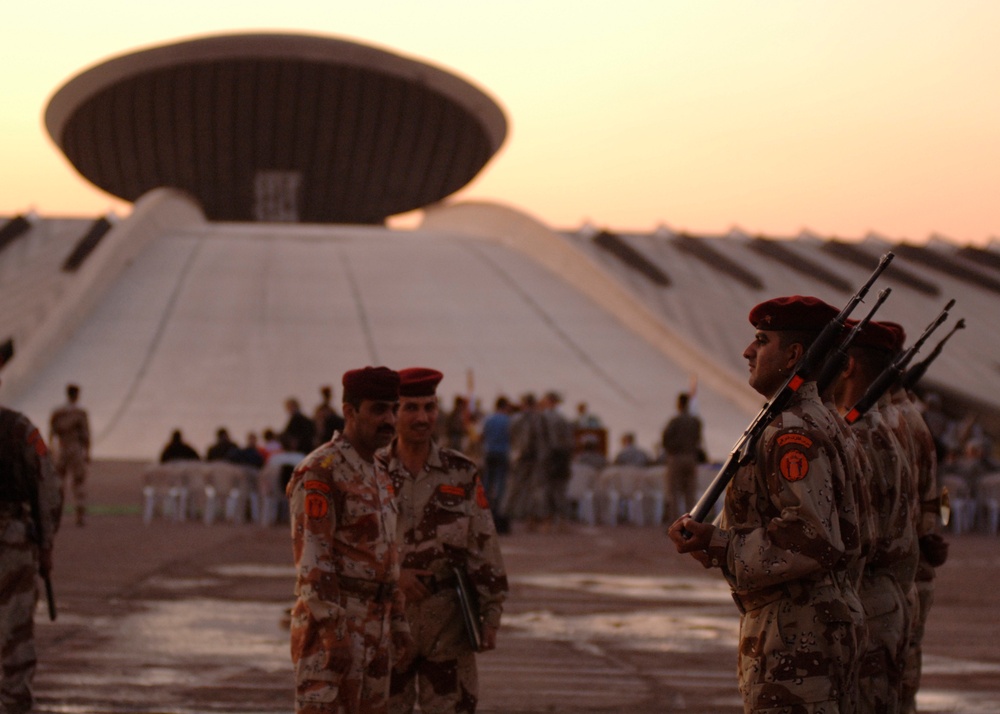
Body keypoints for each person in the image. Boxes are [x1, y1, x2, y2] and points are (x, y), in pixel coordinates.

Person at [668, 295, 866, 713]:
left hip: (797, 631)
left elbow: (811, 536)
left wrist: (721, 544)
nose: (747, 351)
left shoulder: (792, 430)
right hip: (804, 624)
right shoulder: (817, 420)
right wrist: (709, 538)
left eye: (762, 339)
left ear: (794, 354)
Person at [377, 368, 508, 714]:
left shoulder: (461, 472)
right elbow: (350, 544)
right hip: (388, 621)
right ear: (393, 412)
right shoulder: (371, 471)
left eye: (429, 407)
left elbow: (483, 542)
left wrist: (491, 612)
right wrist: (394, 575)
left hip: (448, 622)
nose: (422, 418)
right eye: (411, 408)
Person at [286, 366, 412, 714]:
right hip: (336, 629)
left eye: (393, 408)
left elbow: (388, 554)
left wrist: (398, 622)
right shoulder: (321, 470)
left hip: (377, 625)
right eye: (378, 409)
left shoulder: (380, 471)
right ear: (349, 411)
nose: (389, 419)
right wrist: (333, 630)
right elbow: (313, 559)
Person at [833, 319, 919, 714]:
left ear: (846, 366)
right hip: (881, 597)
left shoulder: (863, 435)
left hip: (867, 601)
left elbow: (849, 538)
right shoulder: (880, 426)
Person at [1, 367, 64, 713]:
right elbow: (48, 487)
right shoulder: (20, 429)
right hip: (11, 542)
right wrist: (46, 543)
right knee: (15, 628)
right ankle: (15, 704)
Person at [49, 383, 91, 526]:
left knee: (58, 482)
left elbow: (52, 432)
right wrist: (87, 452)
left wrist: (51, 450)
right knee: (78, 482)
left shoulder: (58, 412)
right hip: (75, 449)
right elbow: (86, 435)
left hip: (61, 448)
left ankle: (55, 513)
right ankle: (80, 512)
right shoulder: (79, 413)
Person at [661, 392, 703, 523]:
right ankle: (692, 522)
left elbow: (665, 439)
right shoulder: (695, 421)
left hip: (676, 457)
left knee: (674, 492)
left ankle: (675, 522)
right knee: (690, 493)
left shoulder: (675, 421)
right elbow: (698, 439)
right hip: (691, 457)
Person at [479, 396, 513, 534]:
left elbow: (482, 435)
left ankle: (484, 510)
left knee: (487, 482)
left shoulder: (488, 419)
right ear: (505, 406)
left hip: (489, 452)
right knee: (500, 484)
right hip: (503, 453)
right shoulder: (508, 420)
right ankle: (499, 513)